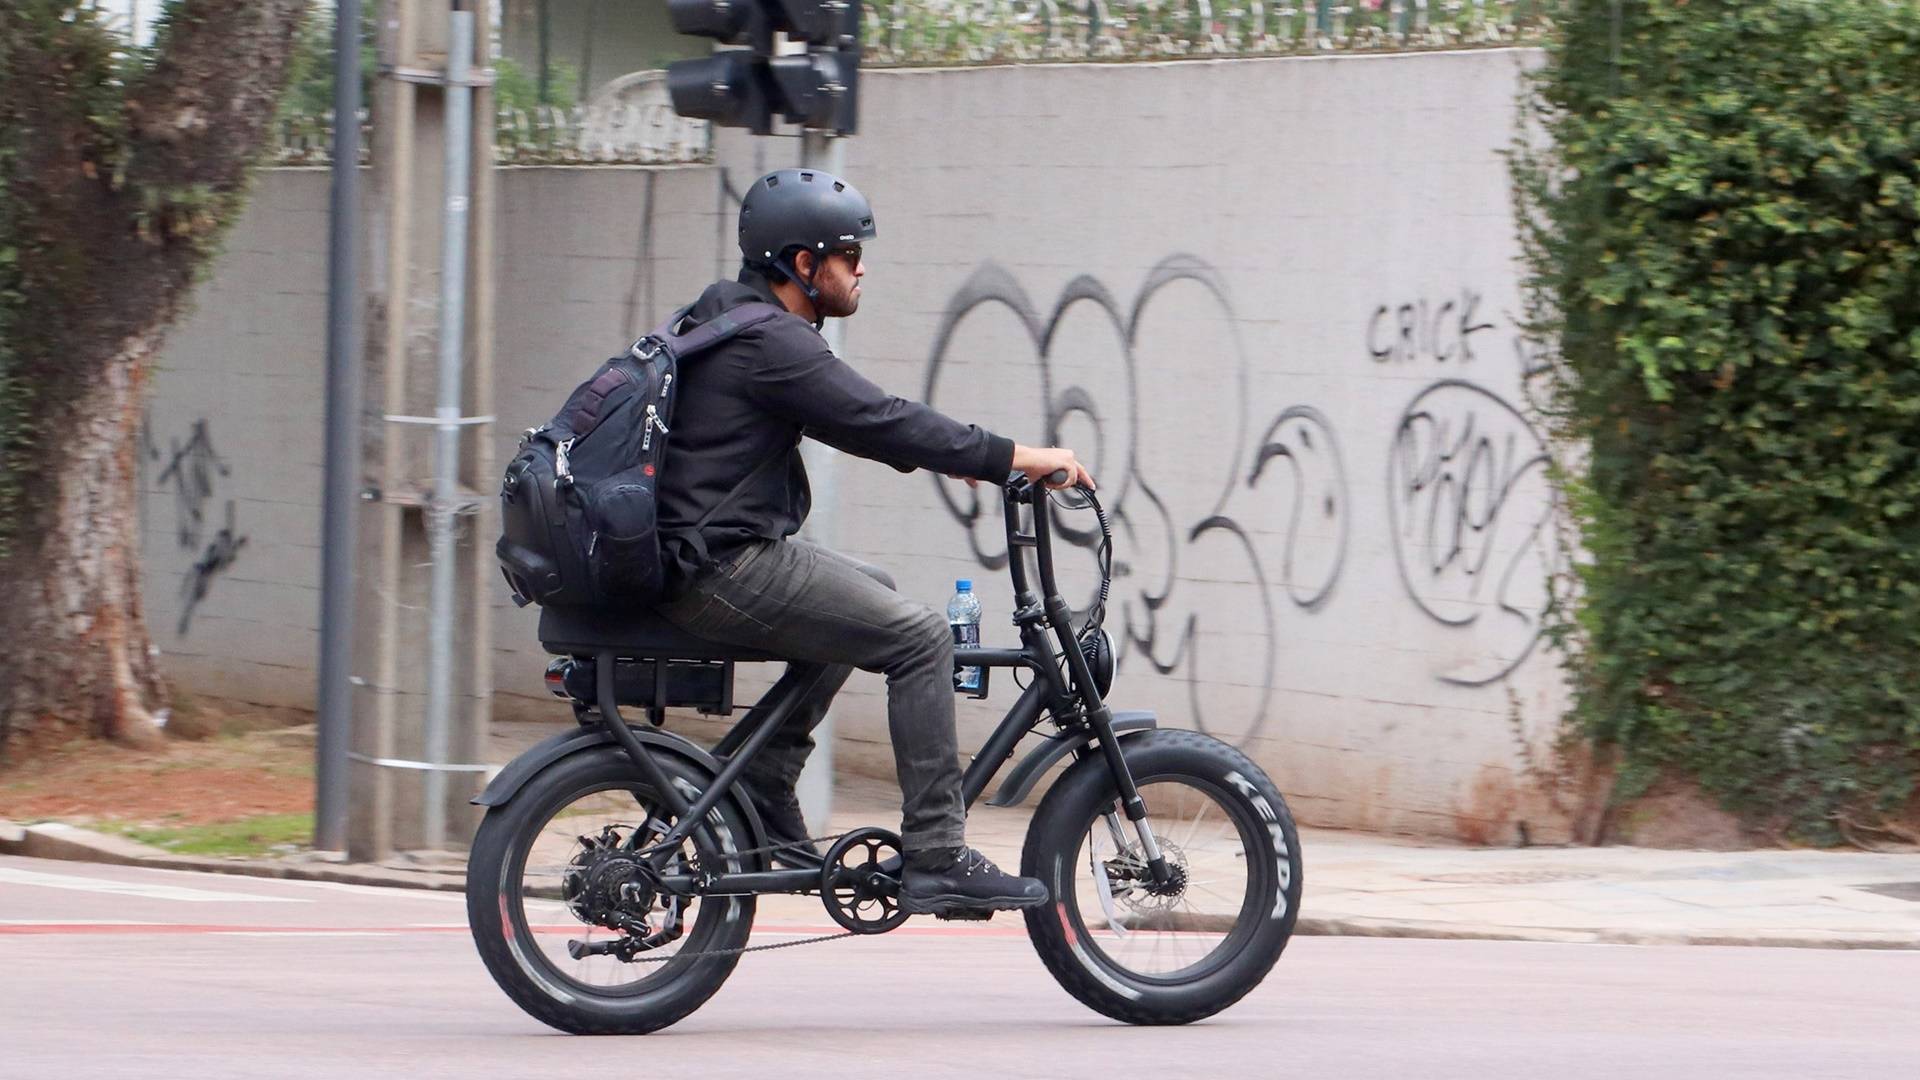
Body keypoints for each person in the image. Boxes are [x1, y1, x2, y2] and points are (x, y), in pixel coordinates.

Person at [652, 168, 1095, 916]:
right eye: (848, 255)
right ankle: (937, 853)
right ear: (803, 265)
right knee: (921, 637)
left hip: (697, 557)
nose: (862, 270)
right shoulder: (771, 342)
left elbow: (863, 421)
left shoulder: (723, 320)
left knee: (874, 590)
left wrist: (958, 455)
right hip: (719, 566)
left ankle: (763, 779)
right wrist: (1017, 455)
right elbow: (880, 417)